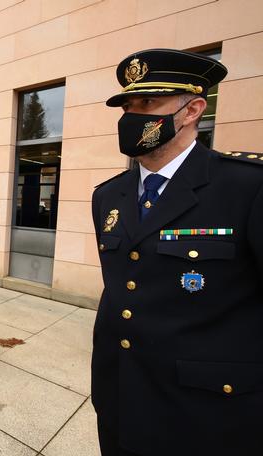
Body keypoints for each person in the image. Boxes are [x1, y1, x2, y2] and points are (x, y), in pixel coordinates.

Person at [91, 48, 263, 456]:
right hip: (118, 399)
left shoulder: (246, 188)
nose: (132, 117)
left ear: (192, 110)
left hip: (207, 415)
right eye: (128, 106)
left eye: (148, 103)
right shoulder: (108, 195)